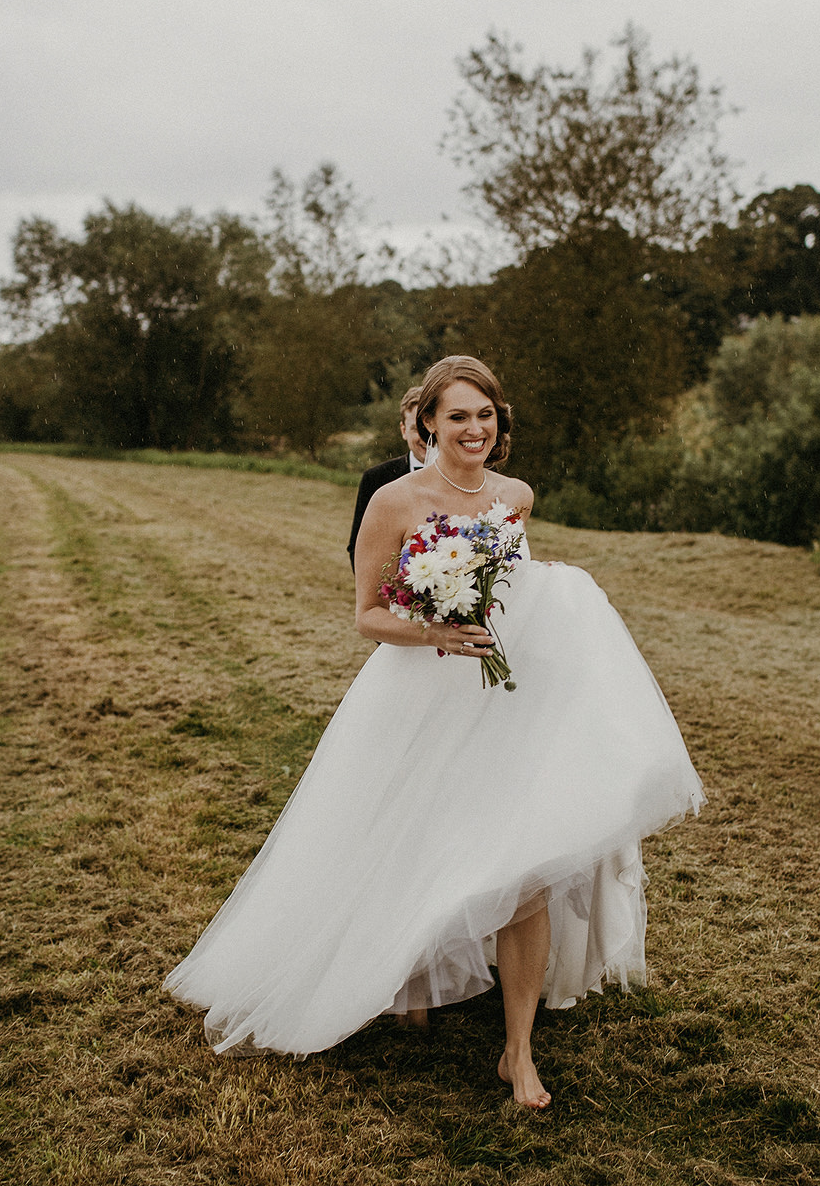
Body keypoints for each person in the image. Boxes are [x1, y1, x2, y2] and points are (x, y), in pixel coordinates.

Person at [166, 355, 704, 1109]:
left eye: (484, 415)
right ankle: (406, 978)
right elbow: (366, 615)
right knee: (414, 842)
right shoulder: (393, 500)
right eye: (457, 416)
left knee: (525, 865)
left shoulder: (516, 496)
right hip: (422, 695)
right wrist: (437, 633)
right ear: (427, 423)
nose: (473, 429)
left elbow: (519, 591)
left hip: (511, 699)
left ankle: (517, 1052)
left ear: (499, 422)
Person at [347, 384, 434, 571]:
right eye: (416, 428)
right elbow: (358, 549)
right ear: (403, 430)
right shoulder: (376, 478)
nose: (426, 437)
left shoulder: (468, 477)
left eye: (430, 427)